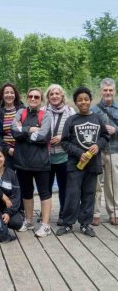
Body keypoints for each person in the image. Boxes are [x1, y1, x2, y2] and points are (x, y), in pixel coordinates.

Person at [57, 87, 109, 237]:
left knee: (89, 193)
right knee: (72, 194)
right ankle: (67, 223)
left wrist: (98, 145)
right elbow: (65, 142)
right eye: (80, 100)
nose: (83, 102)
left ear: (90, 100)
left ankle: (85, 224)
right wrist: (79, 153)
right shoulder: (71, 120)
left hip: (93, 165)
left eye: (86, 99)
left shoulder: (98, 118)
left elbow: (105, 137)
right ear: (75, 102)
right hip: (75, 164)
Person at [11, 88, 52, 237]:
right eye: (30, 96)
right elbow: (14, 131)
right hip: (22, 161)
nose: (33, 98)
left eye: (37, 97)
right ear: (27, 98)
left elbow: (44, 136)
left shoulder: (45, 115)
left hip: (40, 162)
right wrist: (31, 130)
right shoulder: (20, 112)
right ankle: (28, 220)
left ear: (41, 99)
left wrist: (24, 133)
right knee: (26, 192)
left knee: (44, 193)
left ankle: (46, 225)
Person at [43, 84, 75, 226]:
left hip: (64, 156)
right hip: (46, 156)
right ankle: (46, 215)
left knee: (64, 187)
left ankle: (63, 213)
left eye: (57, 93)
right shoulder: (43, 111)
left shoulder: (70, 111)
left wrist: (62, 136)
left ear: (62, 96)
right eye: (52, 94)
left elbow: (75, 132)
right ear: (48, 97)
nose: (55, 96)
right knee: (46, 187)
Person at [91, 78, 118, 226]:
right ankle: (95, 213)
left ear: (114, 91)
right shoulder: (93, 110)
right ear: (101, 91)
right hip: (98, 151)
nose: (108, 93)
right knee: (96, 185)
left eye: (110, 90)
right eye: (105, 90)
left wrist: (116, 130)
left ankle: (114, 212)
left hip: (114, 150)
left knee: (113, 184)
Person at [0, 82, 25, 169]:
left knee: (22, 180)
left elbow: (29, 130)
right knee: (9, 179)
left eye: (12, 92)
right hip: (7, 152)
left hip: (23, 150)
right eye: (6, 92)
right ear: (2, 95)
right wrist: (8, 149)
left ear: (15, 95)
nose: (9, 95)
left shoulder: (23, 110)